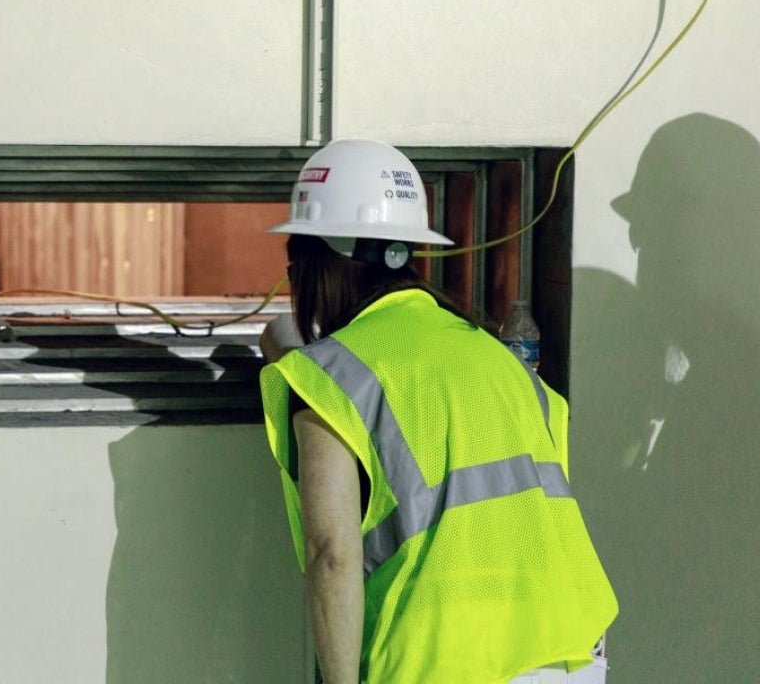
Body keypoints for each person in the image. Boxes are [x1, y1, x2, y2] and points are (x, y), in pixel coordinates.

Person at [259, 139, 617, 683]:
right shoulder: (497, 356)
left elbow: (332, 554)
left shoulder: (330, 379)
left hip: (444, 660)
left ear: (312, 265)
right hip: (567, 650)